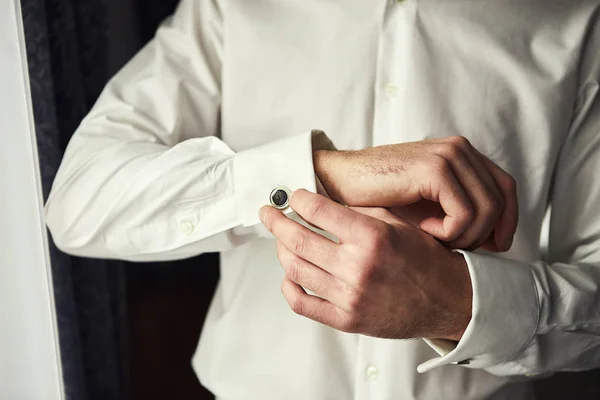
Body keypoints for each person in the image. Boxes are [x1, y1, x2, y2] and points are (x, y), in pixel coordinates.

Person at [45, 0, 600, 399]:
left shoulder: (577, 20)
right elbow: (79, 202)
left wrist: (457, 304)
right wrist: (324, 175)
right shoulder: (229, 9)